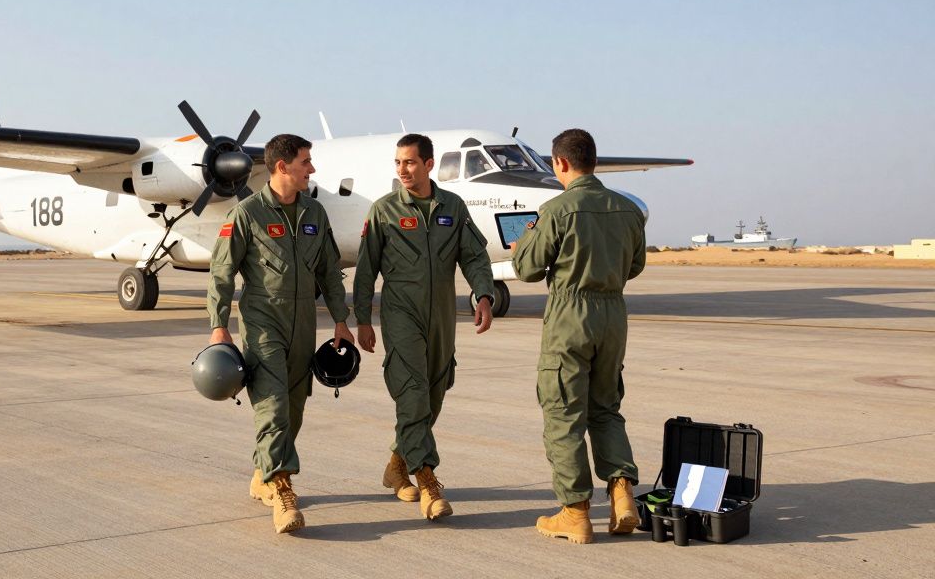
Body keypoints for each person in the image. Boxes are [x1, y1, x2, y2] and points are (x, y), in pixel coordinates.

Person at [207, 133, 353, 535]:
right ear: (282, 167)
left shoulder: (314, 214)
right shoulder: (246, 215)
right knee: (271, 406)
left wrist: (341, 319)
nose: (313, 169)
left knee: (293, 409)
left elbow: (329, 271)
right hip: (262, 323)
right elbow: (221, 274)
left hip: (304, 323)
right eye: (306, 162)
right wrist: (219, 326)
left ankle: (262, 472)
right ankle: (283, 488)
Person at [510, 128, 646, 544]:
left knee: (564, 412)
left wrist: (524, 242)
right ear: (593, 161)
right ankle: (622, 493)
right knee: (605, 406)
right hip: (612, 314)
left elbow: (528, 268)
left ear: (560, 163)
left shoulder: (557, 209)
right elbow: (635, 265)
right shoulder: (627, 209)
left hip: (571, 314)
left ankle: (575, 512)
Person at [353, 133, 495, 521]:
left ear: (429, 164)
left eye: (410, 162)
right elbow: (366, 271)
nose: (403, 170)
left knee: (433, 394)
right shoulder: (383, 210)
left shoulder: (453, 206)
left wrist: (484, 294)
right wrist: (363, 319)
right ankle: (428, 480)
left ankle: (397, 465)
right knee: (412, 392)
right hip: (401, 314)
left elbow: (474, 256)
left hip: (442, 317)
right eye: (398, 163)